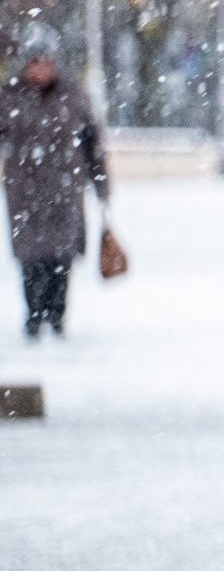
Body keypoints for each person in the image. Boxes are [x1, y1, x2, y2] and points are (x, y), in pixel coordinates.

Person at [1, 23, 110, 340]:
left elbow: (93, 145)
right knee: (31, 259)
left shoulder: (73, 97)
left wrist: (102, 186)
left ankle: (57, 314)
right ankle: (34, 314)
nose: (41, 68)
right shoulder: (8, 97)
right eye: (34, 61)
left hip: (65, 191)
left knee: (61, 258)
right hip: (24, 193)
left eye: (46, 60)